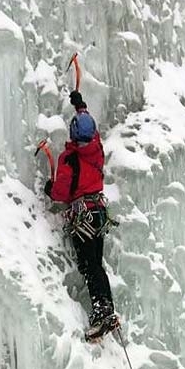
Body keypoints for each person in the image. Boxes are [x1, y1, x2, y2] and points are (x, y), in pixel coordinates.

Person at [44, 90, 117, 336]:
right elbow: (90, 129)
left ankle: (103, 311)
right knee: (97, 263)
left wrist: (48, 189)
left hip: (82, 217)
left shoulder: (69, 159)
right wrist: (80, 106)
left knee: (89, 265)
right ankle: (106, 308)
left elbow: (61, 194)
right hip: (98, 213)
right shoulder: (96, 149)